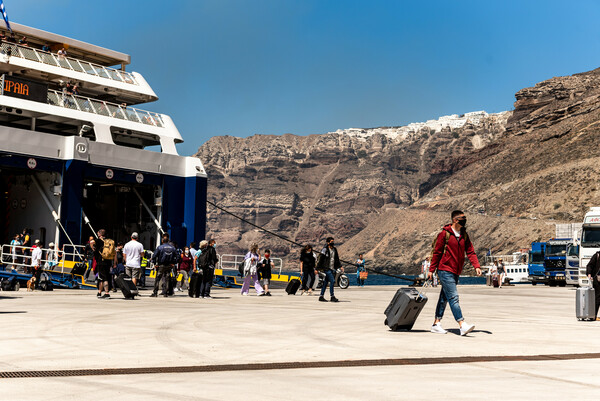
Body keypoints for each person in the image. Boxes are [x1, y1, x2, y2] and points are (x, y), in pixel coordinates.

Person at [428, 210, 482, 336]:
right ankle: (462, 324)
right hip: (444, 269)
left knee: (444, 298)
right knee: (453, 297)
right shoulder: (444, 234)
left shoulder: (464, 234)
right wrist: (431, 270)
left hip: (456, 270)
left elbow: (470, 251)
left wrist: (476, 266)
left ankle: (436, 324)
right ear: (455, 220)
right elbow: (437, 253)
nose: (465, 220)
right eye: (462, 218)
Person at [316, 237, 342, 302]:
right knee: (332, 281)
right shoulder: (325, 250)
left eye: (333, 242)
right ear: (328, 243)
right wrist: (317, 268)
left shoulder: (334, 250)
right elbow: (321, 259)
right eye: (331, 242)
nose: (332, 243)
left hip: (332, 268)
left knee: (325, 282)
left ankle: (321, 296)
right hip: (326, 268)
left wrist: (340, 266)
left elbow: (337, 259)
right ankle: (332, 296)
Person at [93, 229, 113, 299]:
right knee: (102, 277)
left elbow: (94, 250)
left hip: (101, 262)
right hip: (108, 261)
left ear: (99, 234)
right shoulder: (109, 241)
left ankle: (107, 293)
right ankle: (99, 292)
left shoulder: (97, 241)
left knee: (104, 278)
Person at [585, 251, 600, 321]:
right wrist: (589, 273)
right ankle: (594, 315)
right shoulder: (597, 255)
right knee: (597, 298)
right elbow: (590, 265)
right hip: (597, 280)